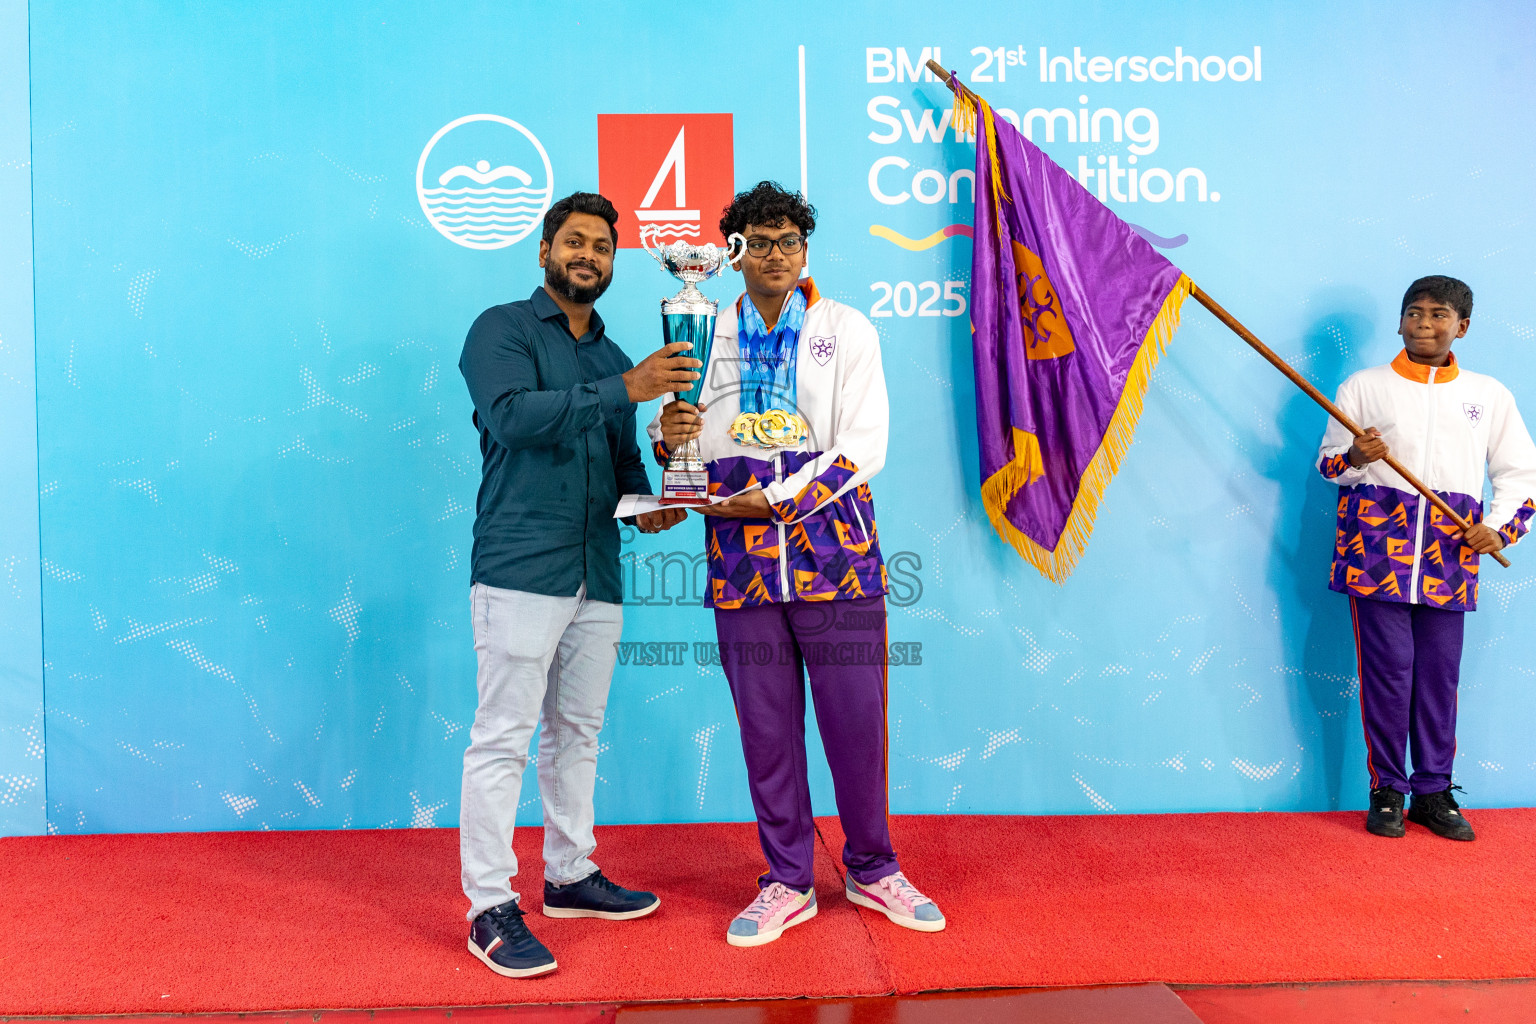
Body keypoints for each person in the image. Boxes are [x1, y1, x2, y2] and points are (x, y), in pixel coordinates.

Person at [649, 181, 944, 946]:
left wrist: (777, 502)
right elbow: (693, 444)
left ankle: (873, 868)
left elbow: (862, 445)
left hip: (835, 558)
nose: (777, 254)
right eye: (760, 242)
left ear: (806, 249)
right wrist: (665, 439)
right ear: (735, 254)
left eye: (790, 241)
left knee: (857, 723)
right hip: (739, 562)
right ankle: (786, 879)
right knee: (766, 730)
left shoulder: (844, 329)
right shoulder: (702, 333)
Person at [458, 192, 693, 977]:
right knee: (503, 738)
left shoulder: (615, 356)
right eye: (575, 242)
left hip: (598, 573)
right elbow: (514, 418)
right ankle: (489, 907)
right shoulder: (502, 330)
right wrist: (626, 391)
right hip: (521, 568)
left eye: (602, 246)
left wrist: (651, 507)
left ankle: (569, 876)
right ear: (544, 251)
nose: (588, 255)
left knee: (577, 734)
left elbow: (626, 465)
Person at [1316, 275, 1536, 842]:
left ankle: (1434, 792)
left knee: (1439, 679)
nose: (1425, 322)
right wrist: (1357, 456)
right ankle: (1388, 789)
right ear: (1399, 321)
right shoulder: (1364, 386)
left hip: (1449, 555)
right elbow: (1328, 466)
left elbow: (1520, 474)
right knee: (1387, 677)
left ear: (1461, 327)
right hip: (1375, 553)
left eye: (1440, 314)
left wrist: (1499, 530)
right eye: (1414, 312)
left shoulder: (1488, 396)